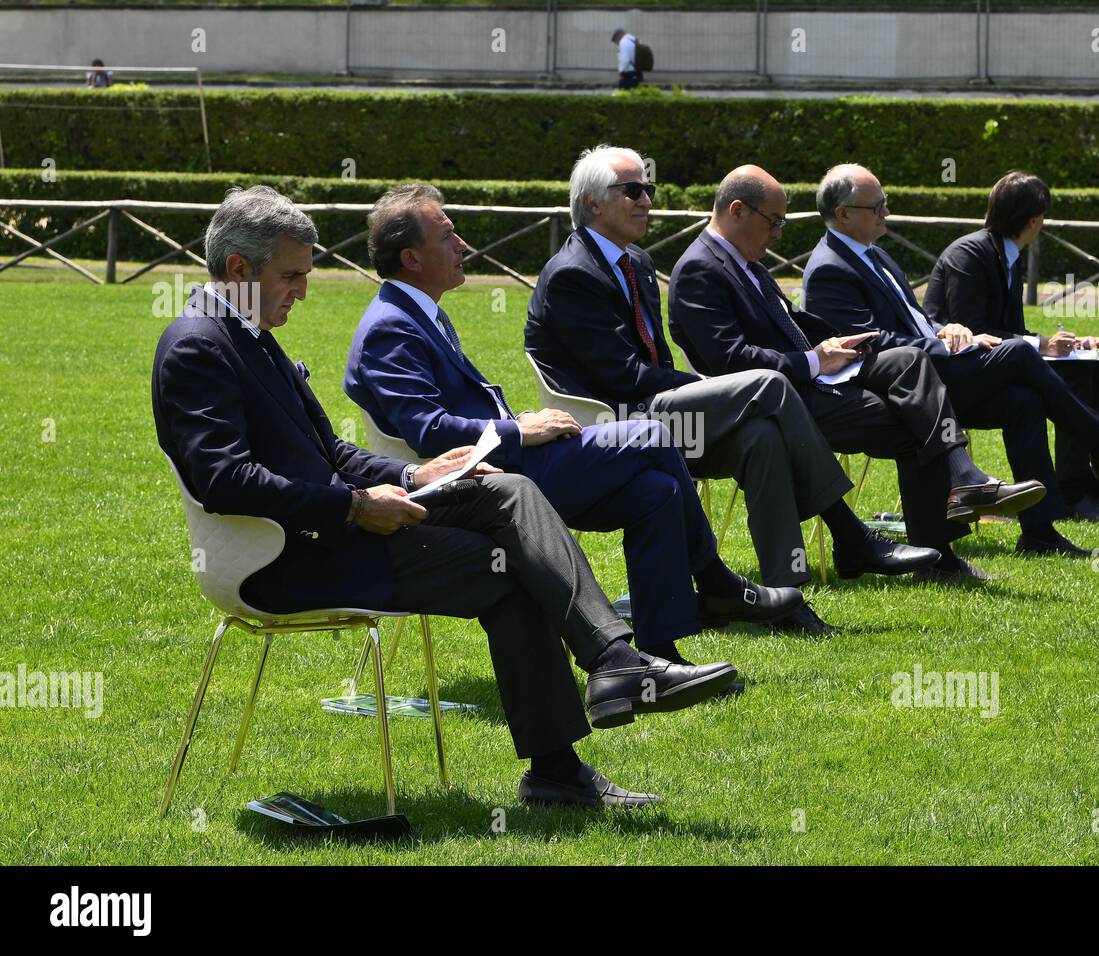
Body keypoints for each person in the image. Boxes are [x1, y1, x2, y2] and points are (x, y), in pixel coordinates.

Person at [152, 185, 740, 809]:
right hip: (286, 561)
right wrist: (352, 507)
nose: (302, 291)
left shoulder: (249, 334)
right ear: (239, 270)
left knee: (507, 490)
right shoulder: (198, 345)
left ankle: (608, 676)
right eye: (291, 276)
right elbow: (223, 479)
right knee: (512, 566)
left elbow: (334, 456)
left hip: (335, 531)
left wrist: (419, 475)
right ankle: (574, 744)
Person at [343, 183, 803, 665]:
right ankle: (714, 580)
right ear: (412, 259)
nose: (463, 246)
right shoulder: (390, 327)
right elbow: (427, 431)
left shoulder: (417, 314)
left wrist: (519, 420)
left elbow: (451, 416)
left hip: (512, 466)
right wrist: (522, 430)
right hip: (482, 485)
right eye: (448, 237)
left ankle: (661, 651)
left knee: (656, 493)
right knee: (653, 434)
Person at [525, 145, 949, 630]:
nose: (647, 200)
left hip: (662, 416)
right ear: (594, 203)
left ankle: (785, 598)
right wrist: (706, 385)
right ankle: (851, 535)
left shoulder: (636, 262)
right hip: (616, 425)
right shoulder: (571, 275)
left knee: (761, 438)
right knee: (766, 386)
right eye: (634, 190)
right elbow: (625, 377)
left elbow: (655, 361)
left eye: (649, 188)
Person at [668, 165, 1047, 581]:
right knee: (915, 420)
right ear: (737, 210)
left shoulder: (746, 263)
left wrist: (844, 341)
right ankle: (934, 548)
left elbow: (793, 322)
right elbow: (730, 360)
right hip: (775, 403)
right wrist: (815, 361)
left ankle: (959, 490)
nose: (779, 233)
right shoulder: (699, 269)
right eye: (774, 221)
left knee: (907, 360)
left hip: (812, 382)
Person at [804, 164, 1099, 556]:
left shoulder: (875, 255)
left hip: (929, 371)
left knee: (1024, 401)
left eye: (886, 203)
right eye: (877, 205)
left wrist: (945, 330)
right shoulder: (830, 269)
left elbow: (916, 320)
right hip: (899, 389)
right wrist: (944, 345)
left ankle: (1040, 533)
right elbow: (869, 344)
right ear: (844, 214)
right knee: (1017, 352)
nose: (886, 212)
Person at [924, 171, 1099, 522]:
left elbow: (1009, 332)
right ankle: (1092, 464)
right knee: (1070, 374)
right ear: (1033, 220)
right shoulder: (970, 254)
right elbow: (975, 332)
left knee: (1088, 364)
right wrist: (1041, 344)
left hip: (992, 366)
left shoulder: (1003, 255)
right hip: (956, 377)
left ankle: (1089, 485)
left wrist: (1074, 344)